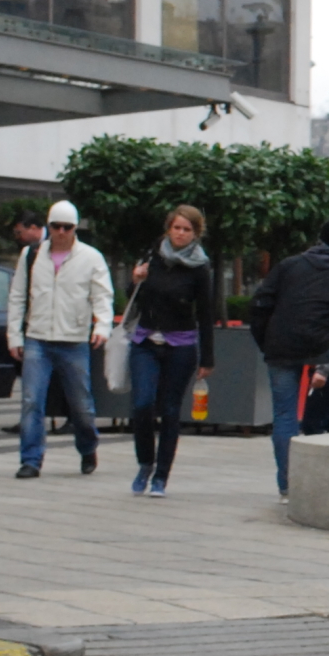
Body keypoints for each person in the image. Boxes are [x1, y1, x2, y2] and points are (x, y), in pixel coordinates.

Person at [249, 219, 329, 498]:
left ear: (318, 239)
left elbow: (260, 303)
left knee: (284, 417)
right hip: (321, 345)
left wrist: (266, 343)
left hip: (280, 349)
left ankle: (287, 486)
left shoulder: (288, 266)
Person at [5, 199, 112, 479]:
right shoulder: (31, 255)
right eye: (56, 226)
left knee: (81, 404)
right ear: (48, 227)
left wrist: (102, 327)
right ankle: (31, 459)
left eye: (68, 227)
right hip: (37, 337)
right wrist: (15, 335)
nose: (62, 232)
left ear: (76, 228)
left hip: (73, 338)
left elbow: (102, 296)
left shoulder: (90, 257)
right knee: (31, 400)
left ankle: (88, 446)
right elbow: (17, 297)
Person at [126, 204, 215, 497]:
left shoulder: (200, 267)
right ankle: (145, 463)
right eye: (176, 228)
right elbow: (133, 298)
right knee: (142, 405)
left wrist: (207, 357)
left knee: (170, 410)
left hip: (181, 345)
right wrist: (135, 279)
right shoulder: (153, 256)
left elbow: (205, 312)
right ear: (168, 229)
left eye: (186, 229)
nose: (180, 233)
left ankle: (161, 476)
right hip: (146, 341)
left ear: (195, 234)